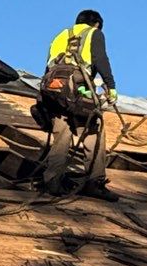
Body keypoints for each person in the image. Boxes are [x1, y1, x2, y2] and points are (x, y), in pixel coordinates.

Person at [34, 10, 118, 197]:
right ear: (96, 24)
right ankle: (94, 182)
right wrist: (110, 86)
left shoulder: (60, 35)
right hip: (77, 90)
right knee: (93, 131)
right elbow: (100, 59)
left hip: (53, 90)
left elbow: (48, 66)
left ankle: (52, 182)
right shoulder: (94, 33)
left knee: (61, 135)